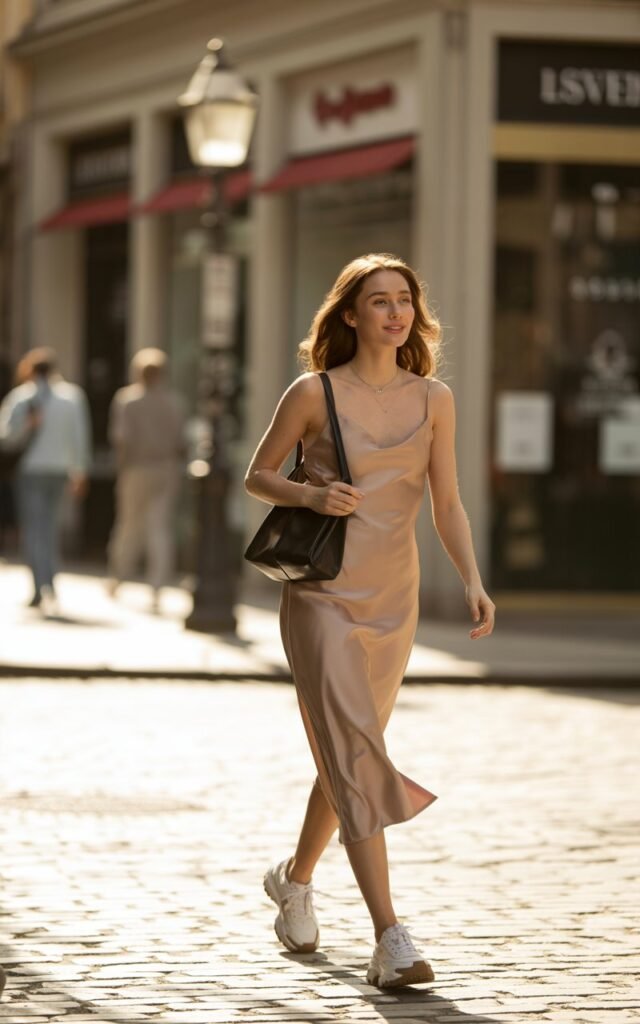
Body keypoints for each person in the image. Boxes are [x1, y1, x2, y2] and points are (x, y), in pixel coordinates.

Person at [245, 253, 496, 989]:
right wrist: (309, 496)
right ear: (350, 315)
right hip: (323, 595)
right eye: (379, 301)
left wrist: (472, 580)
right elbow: (258, 474)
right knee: (355, 751)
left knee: (349, 752)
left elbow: (447, 502)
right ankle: (390, 937)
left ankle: (294, 879)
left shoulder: (435, 399)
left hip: (394, 598)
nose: (395, 313)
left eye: (404, 300)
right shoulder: (313, 392)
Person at [0, 347, 91, 609]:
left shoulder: (21, 397)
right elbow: (80, 437)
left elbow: (6, 437)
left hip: (31, 470)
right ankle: (48, 581)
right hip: (59, 470)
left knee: (34, 529)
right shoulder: (72, 397)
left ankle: (40, 584)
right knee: (49, 528)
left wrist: (26, 426)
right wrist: (80, 470)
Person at [107, 347, 185, 612]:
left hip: (136, 468)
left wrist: (121, 469)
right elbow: (181, 442)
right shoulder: (174, 403)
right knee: (159, 527)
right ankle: (157, 585)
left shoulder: (127, 400)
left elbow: (121, 440)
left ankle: (117, 576)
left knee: (129, 525)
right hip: (165, 469)